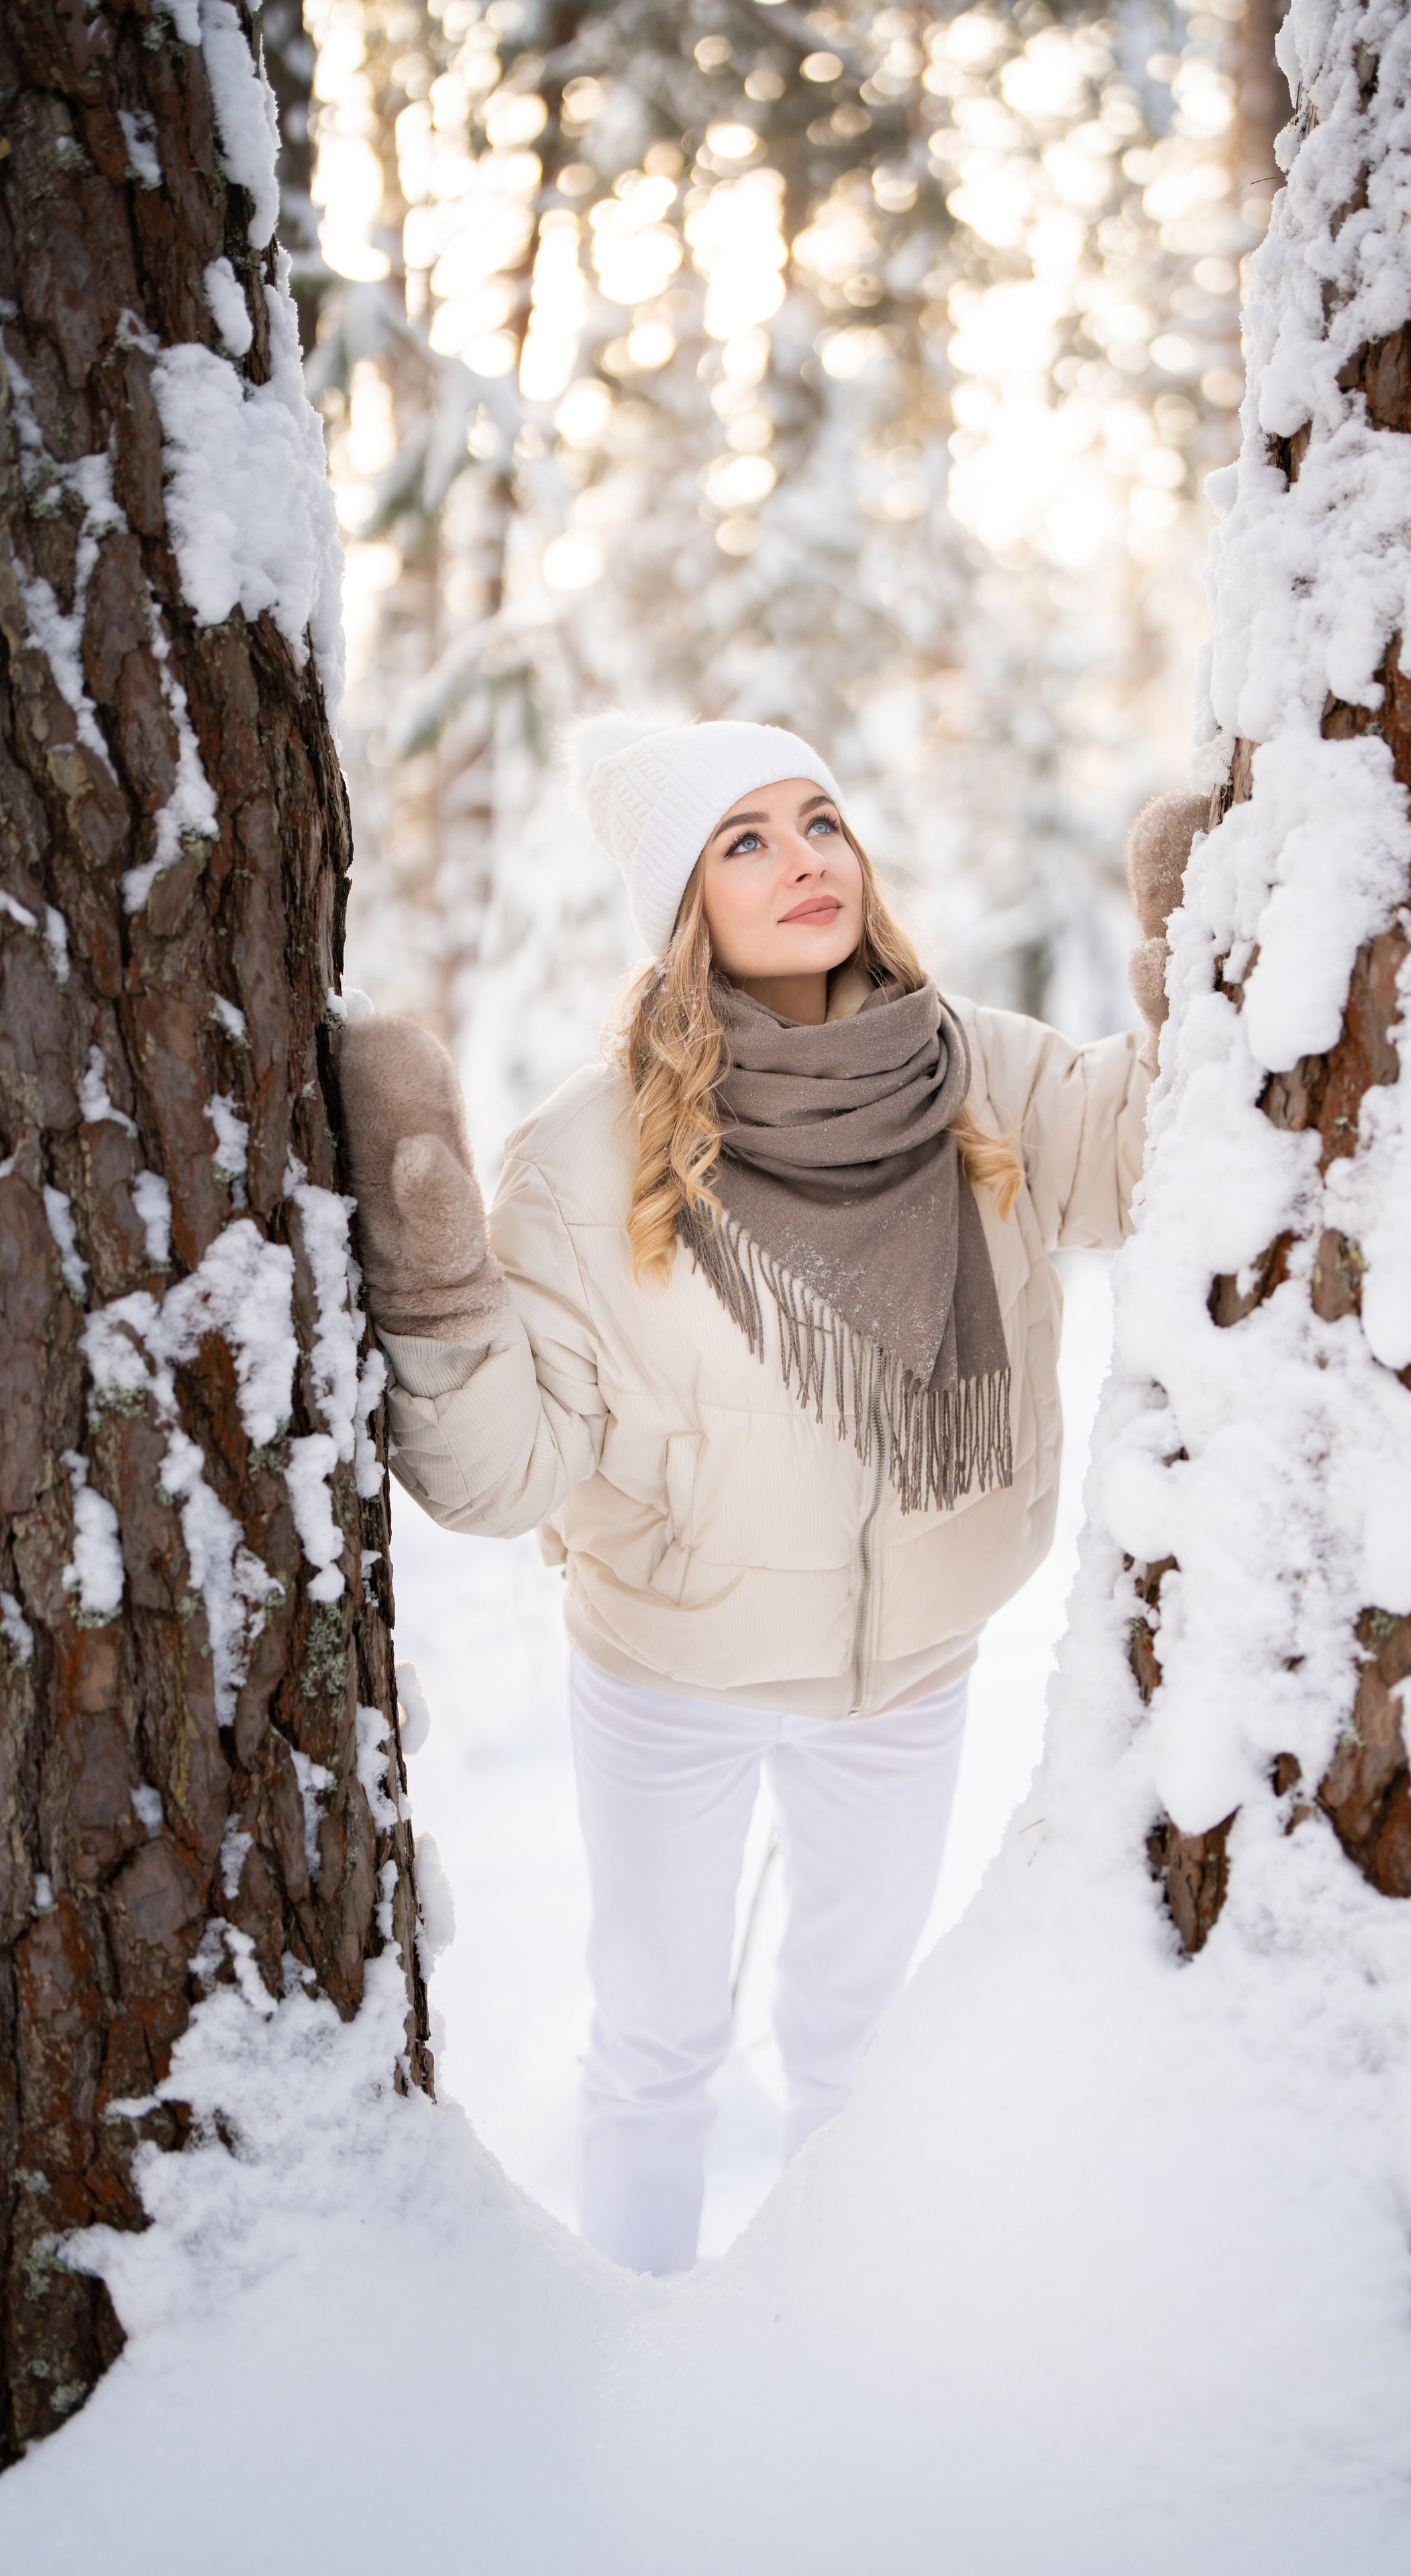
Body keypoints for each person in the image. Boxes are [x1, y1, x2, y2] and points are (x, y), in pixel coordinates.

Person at [336, 716, 1202, 2276]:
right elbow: (498, 1473)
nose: (805, 859)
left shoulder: (976, 1072)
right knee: (658, 2037)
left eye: (819, 821)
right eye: (744, 840)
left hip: (910, 1670)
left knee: (855, 2043)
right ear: (684, 905)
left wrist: (1195, 979)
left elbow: (1147, 1155)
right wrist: (441, 1294)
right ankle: (636, 2342)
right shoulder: (589, 1159)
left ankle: (823, 2358)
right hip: (671, 1669)